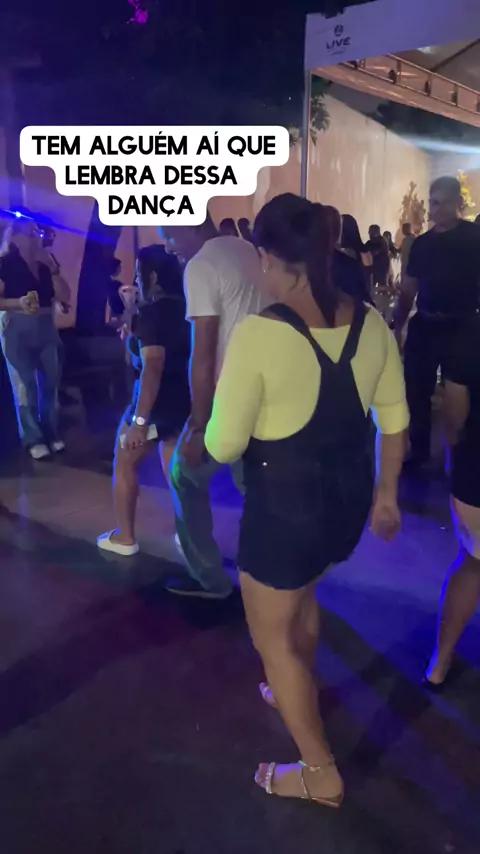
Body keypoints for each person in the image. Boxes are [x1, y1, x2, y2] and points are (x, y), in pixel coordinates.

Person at [204, 193, 408, 806]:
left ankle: (320, 773)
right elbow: (395, 421)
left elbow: (222, 443)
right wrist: (387, 497)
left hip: (284, 514)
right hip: (345, 504)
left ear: (270, 258)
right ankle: (293, 684)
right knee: (304, 595)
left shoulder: (259, 334)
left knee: (272, 638)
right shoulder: (370, 323)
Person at [160, 213, 264, 597]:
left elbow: (203, 353)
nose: (169, 247)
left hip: (230, 395)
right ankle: (269, 576)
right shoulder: (246, 249)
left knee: (184, 474)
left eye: (171, 236)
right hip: (264, 389)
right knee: (256, 487)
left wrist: (199, 426)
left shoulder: (201, 266)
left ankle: (209, 578)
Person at [97, 244, 190, 556]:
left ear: (152, 277)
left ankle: (125, 538)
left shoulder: (151, 314)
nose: (135, 281)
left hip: (155, 404)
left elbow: (152, 365)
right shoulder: (188, 308)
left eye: (138, 274)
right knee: (176, 471)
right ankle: (188, 535)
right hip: (183, 400)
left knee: (124, 462)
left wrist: (139, 421)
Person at [394, 176, 480, 468]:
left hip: (462, 324)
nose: (434, 209)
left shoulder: (474, 238)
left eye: (441, 203)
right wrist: (399, 324)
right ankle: (419, 451)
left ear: (458, 203)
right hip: (427, 323)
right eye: (432, 202)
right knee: (416, 390)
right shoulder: (422, 244)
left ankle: (460, 456)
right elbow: (409, 288)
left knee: (461, 392)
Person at [425, 315, 480, 688]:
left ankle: (439, 664)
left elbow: (454, 410)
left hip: (477, 470)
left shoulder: (472, 330)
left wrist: (452, 455)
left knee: (473, 564)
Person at [0, 218, 69, 459]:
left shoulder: (44, 265)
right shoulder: (5, 264)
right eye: (30, 233)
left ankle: (51, 432)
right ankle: (32, 438)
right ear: (16, 237)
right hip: (16, 325)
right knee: (25, 384)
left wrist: (53, 269)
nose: (36, 237)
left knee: (50, 382)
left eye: (37, 233)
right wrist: (18, 303)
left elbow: (64, 295)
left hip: (46, 325)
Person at [365, 225, 390, 289]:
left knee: (382, 287)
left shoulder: (382, 242)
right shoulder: (370, 243)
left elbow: (376, 252)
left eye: (371, 232)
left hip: (380, 269)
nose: (369, 234)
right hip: (374, 269)